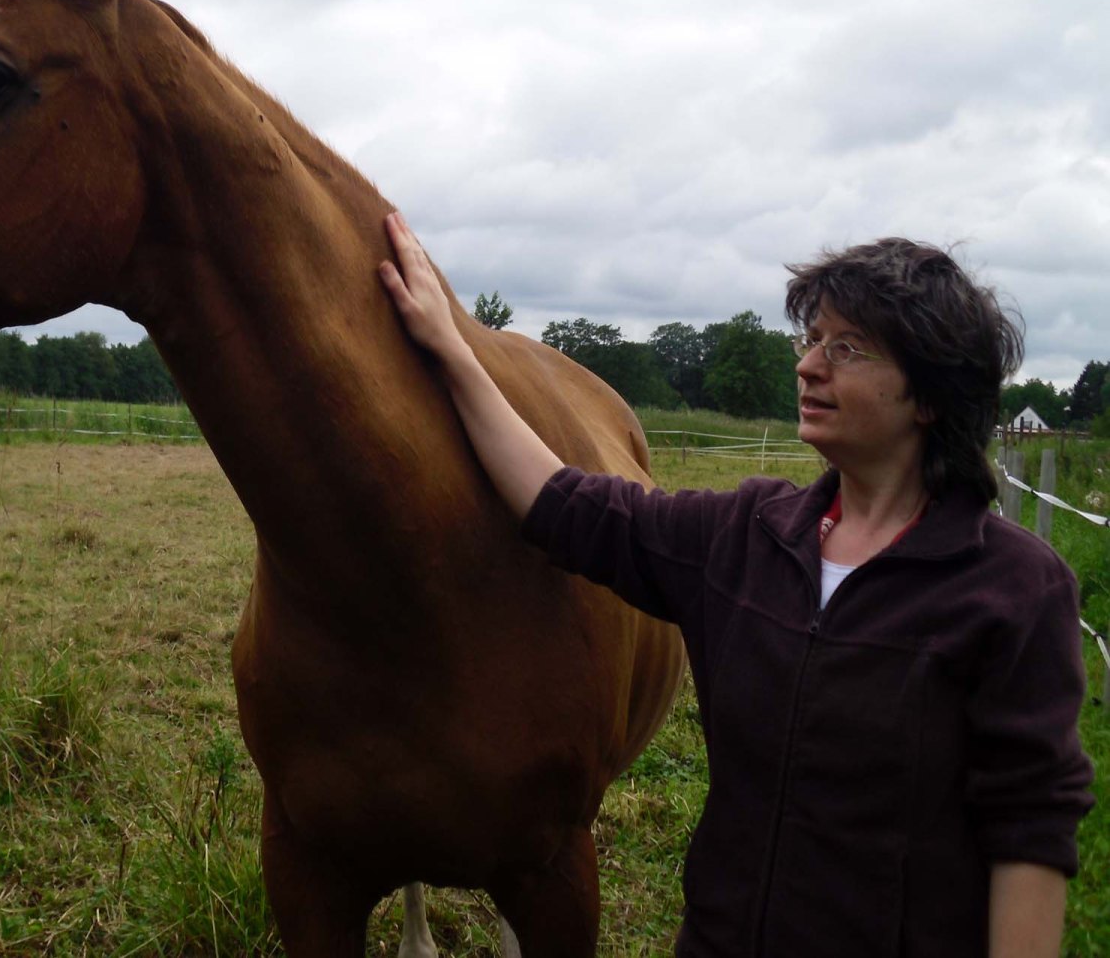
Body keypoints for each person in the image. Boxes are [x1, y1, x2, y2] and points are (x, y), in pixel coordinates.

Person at [378, 214, 1094, 957]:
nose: (809, 366)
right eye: (810, 339)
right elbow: (568, 506)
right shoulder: (749, 535)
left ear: (932, 393)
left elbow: (1029, 834)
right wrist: (454, 352)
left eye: (846, 347)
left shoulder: (1014, 589)